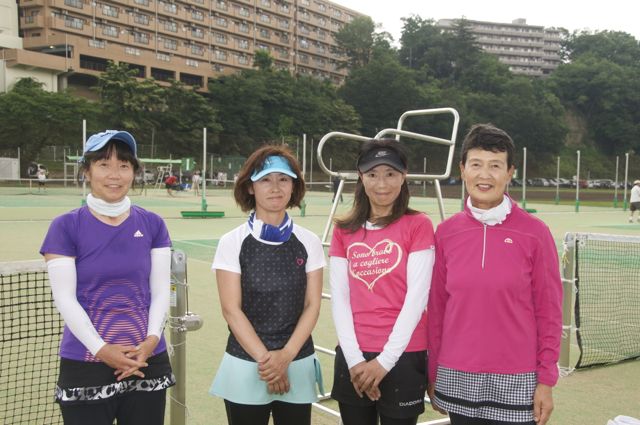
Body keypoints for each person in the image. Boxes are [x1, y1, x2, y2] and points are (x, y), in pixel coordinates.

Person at [426, 124, 563, 425]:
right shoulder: (446, 233)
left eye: (495, 166)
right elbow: (437, 309)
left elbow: (550, 313)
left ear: (510, 172)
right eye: (476, 164)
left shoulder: (536, 233)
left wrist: (546, 380)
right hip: (457, 375)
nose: (484, 175)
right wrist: (433, 371)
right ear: (462, 170)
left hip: (518, 380)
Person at [39, 130, 175, 425]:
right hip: (86, 361)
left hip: (146, 360)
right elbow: (64, 298)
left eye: (123, 165)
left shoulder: (153, 224)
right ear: (87, 171)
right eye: (103, 164)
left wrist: (151, 341)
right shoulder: (65, 226)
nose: (115, 175)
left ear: (134, 172)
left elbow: (160, 290)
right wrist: (102, 350)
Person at [209, 145, 325, 425]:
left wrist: (286, 357)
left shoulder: (309, 241)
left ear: (293, 186)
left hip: (297, 360)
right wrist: (268, 362)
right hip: (245, 362)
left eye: (283, 179)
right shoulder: (232, 242)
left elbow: (312, 305)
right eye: (265, 180)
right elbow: (231, 310)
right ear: (250, 187)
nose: (275, 187)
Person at [329, 138, 435, 425]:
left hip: (404, 354)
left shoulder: (419, 225)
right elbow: (340, 298)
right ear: (361, 177)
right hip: (353, 353)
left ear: (403, 176)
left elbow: (417, 299)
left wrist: (384, 362)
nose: (382, 184)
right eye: (373, 174)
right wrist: (355, 360)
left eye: (390, 174)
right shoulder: (343, 230)